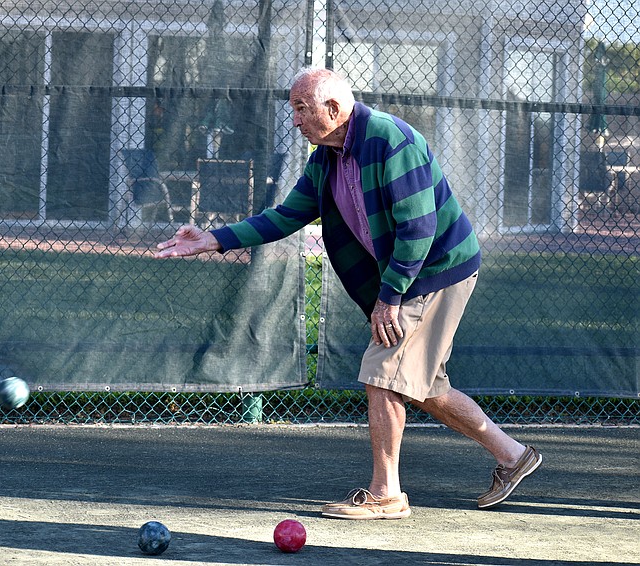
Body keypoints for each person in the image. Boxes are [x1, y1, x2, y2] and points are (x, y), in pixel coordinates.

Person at [154, 67, 542, 520]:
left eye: (301, 109)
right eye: (293, 109)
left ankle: (387, 495)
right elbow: (285, 216)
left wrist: (389, 297)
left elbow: (418, 229)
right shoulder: (326, 159)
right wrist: (213, 239)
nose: (295, 120)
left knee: (382, 369)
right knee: (420, 385)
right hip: (405, 275)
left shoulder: (390, 139)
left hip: (437, 269)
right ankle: (513, 455)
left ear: (333, 109)